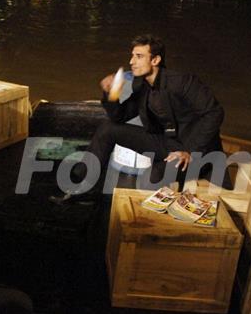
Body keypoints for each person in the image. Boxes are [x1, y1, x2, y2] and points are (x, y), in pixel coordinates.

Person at [50, 34, 225, 203]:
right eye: (132, 56)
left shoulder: (182, 82)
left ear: (155, 60)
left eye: (139, 56)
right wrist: (111, 95)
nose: (131, 61)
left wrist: (191, 151)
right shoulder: (142, 84)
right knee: (108, 128)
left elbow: (214, 112)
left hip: (195, 152)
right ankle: (80, 186)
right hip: (166, 142)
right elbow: (120, 117)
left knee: (152, 177)